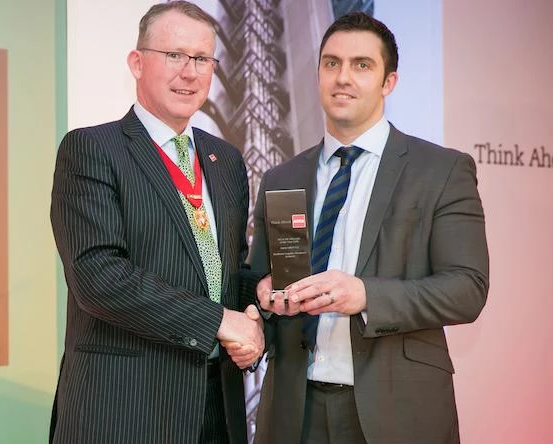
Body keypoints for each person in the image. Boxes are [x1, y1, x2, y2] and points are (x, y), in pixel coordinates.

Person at [248, 12, 489, 444]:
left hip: (397, 414)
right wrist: (264, 298)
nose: (343, 77)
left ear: (388, 82)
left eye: (362, 65)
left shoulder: (441, 170)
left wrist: (365, 295)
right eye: (331, 63)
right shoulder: (281, 178)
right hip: (292, 414)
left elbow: (467, 289)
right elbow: (260, 283)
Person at [49, 2, 265, 443]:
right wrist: (219, 322)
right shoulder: (92, 150)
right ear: (137, 62)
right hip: (124, 411)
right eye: (174, 55)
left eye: (202, 59)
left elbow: (224, 274)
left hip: (215, 411)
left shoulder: (226, 162)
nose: (189, 72)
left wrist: (257, 301)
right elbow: (98, 277)